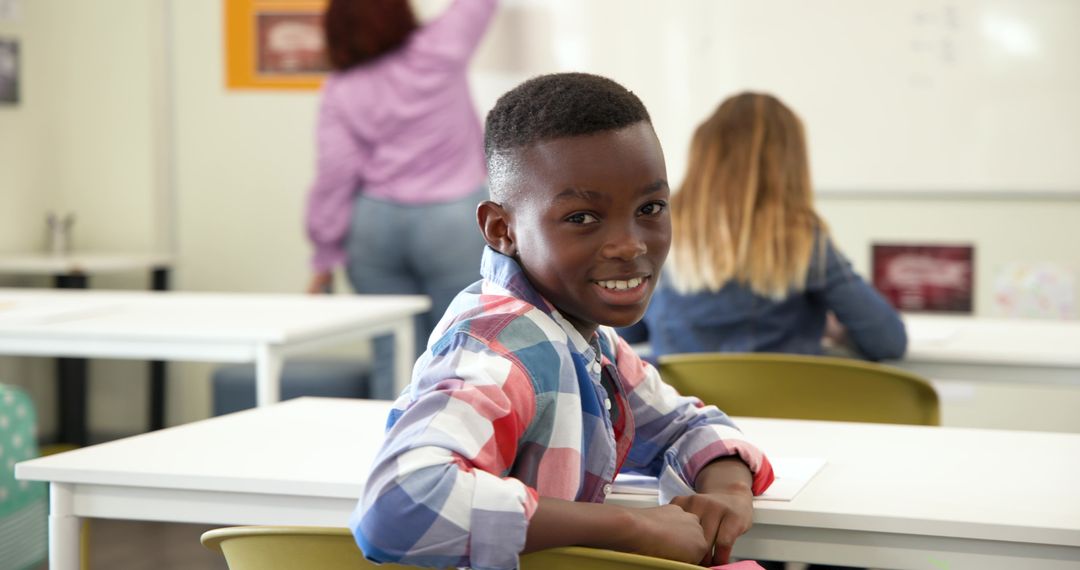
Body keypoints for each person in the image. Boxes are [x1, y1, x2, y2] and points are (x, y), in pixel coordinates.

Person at [351, 73, 775, 570]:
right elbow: (398, 504)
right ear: (501, 229)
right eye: (581, 218)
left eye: (651, 208)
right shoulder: (505, 350)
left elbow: (687, 424)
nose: (630, 244)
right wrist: (631, 527)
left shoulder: (585, 341)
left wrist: (725, 485)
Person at [622, 92, 907, 362]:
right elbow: (888, 342)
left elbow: (628, 332)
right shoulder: (801, 239)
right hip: (782, 411)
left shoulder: (657, 232)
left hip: (683, 411)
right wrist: (835, 330)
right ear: (788, 163)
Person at [305, 0, 496, 399]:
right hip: (453, 218)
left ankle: (391, 453)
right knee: (467, 350)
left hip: (376, 225)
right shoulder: (438, 48)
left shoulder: (342, 87)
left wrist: (324, 255)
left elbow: (335, 173)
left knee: (392, 354)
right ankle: (459, 452)